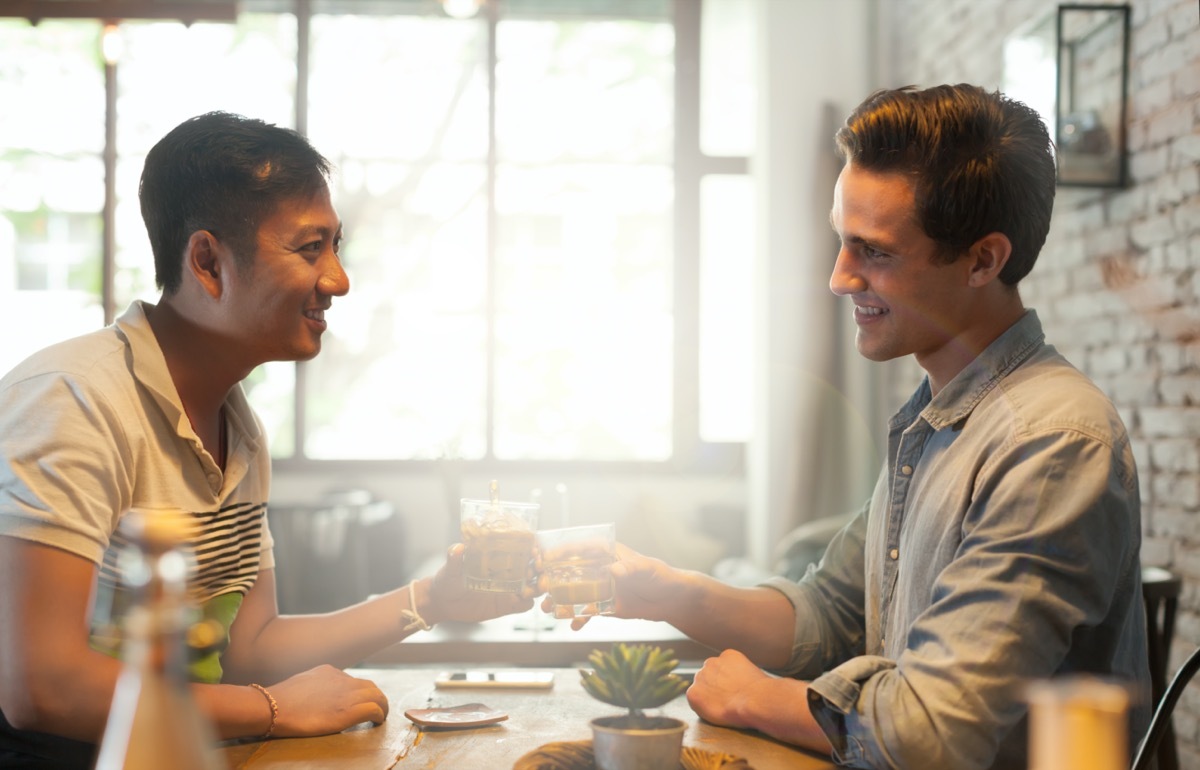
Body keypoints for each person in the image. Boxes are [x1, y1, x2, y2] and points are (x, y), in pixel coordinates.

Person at [560, 84, 1151, 769]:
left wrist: (755, 697)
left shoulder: (1049, 444)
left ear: (983, 260)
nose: (839, 279)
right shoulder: (937, 420)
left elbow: (930, 732)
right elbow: (830, 616)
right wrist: (667, 591)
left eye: (874, 252)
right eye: (842, 241)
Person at [0, 112, 533, 768]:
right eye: (310, 248)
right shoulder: (72, 398)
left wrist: (433, 600)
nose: (338, 280)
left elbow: (252, 649)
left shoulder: (238, 424)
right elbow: (42, 687)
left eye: (337, 247)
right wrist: (273, 709)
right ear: (208, 262)